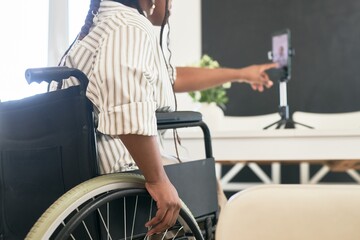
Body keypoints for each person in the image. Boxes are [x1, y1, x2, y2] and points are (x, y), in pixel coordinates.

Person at [53, 0, 277, 236]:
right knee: (211, 190)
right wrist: (158, 180)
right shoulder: (129, 26)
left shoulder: (104, 24)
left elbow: (171, 79)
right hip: (119, 169)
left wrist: (241, 74)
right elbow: (126, 105)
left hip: (82, 171)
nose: (172, 5)